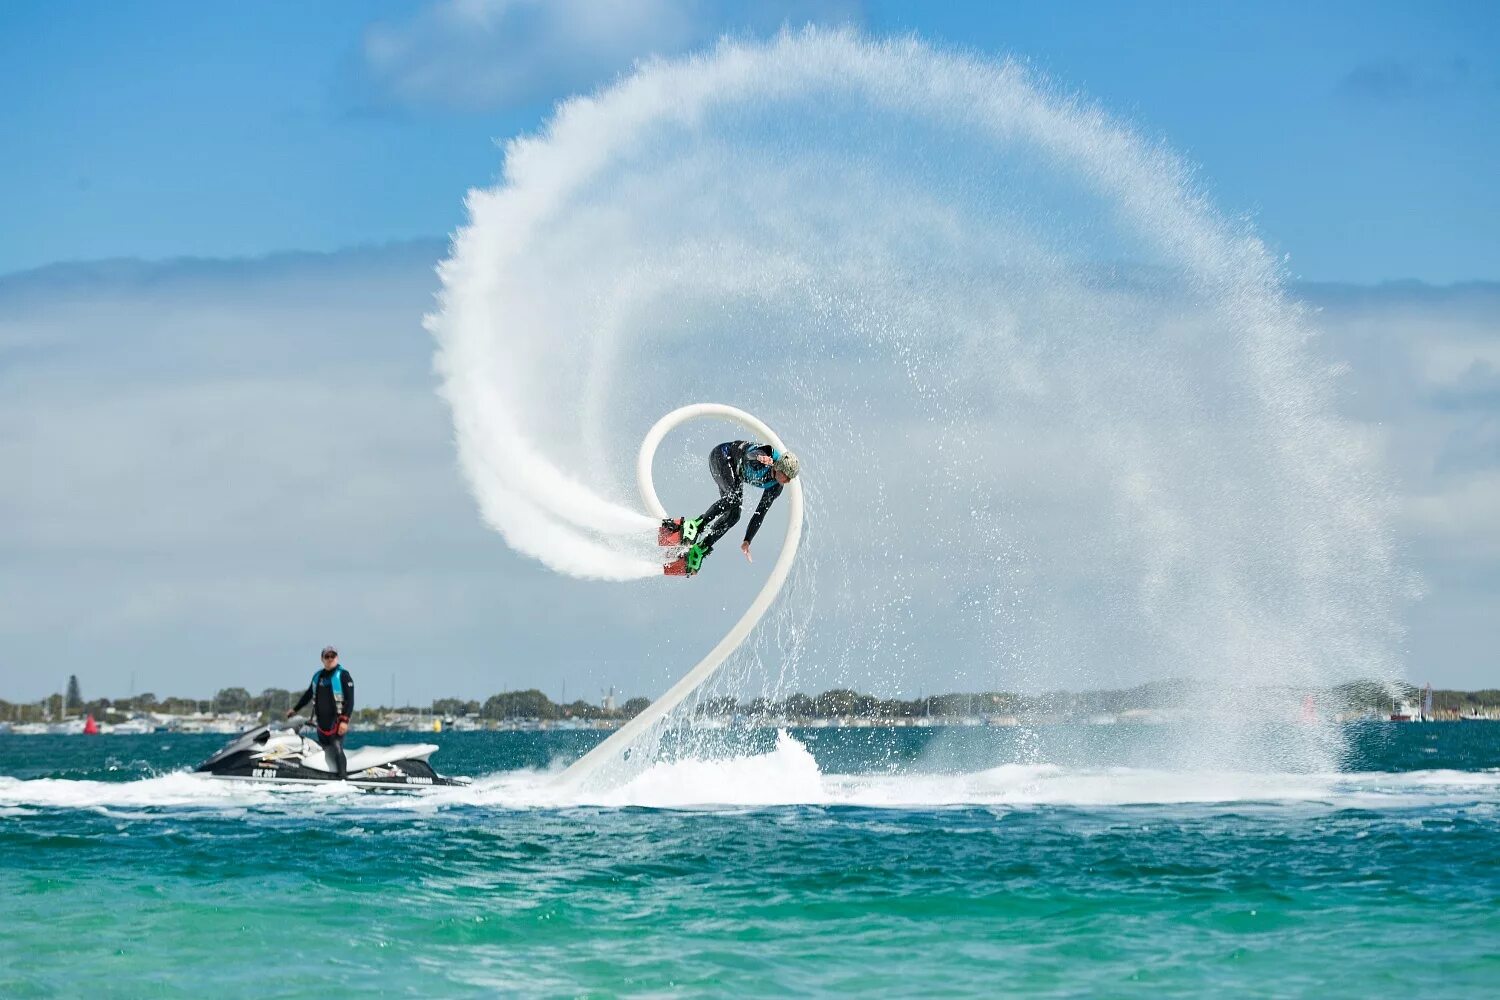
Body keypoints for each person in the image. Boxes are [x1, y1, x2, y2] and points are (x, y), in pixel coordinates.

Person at [662, 441, 800, 576]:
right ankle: (696, 525)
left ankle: (700, 549)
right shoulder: (767, 454)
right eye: (786, 476)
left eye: (790, 478)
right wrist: (759, 457)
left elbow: (760, 513)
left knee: (734, 515)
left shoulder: (776, 487)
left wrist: (748, 539)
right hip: (722, 457)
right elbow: (749, 455)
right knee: (733, 498)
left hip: (735, 475)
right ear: (779, 467)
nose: (787, 481)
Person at [287, 646, 354, 779]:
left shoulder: (343, 675)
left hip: (337, 723)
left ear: (337, 658)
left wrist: (345, 721)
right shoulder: (318, 677)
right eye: (327, 656)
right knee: (323, 750)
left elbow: (350, 700)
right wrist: (295, 709)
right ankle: (326, 776)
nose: (330, 659)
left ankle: (343, 779)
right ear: (322, 659)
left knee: (336, 748)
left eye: (332, 656)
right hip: (321, 724)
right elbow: (308, 694)